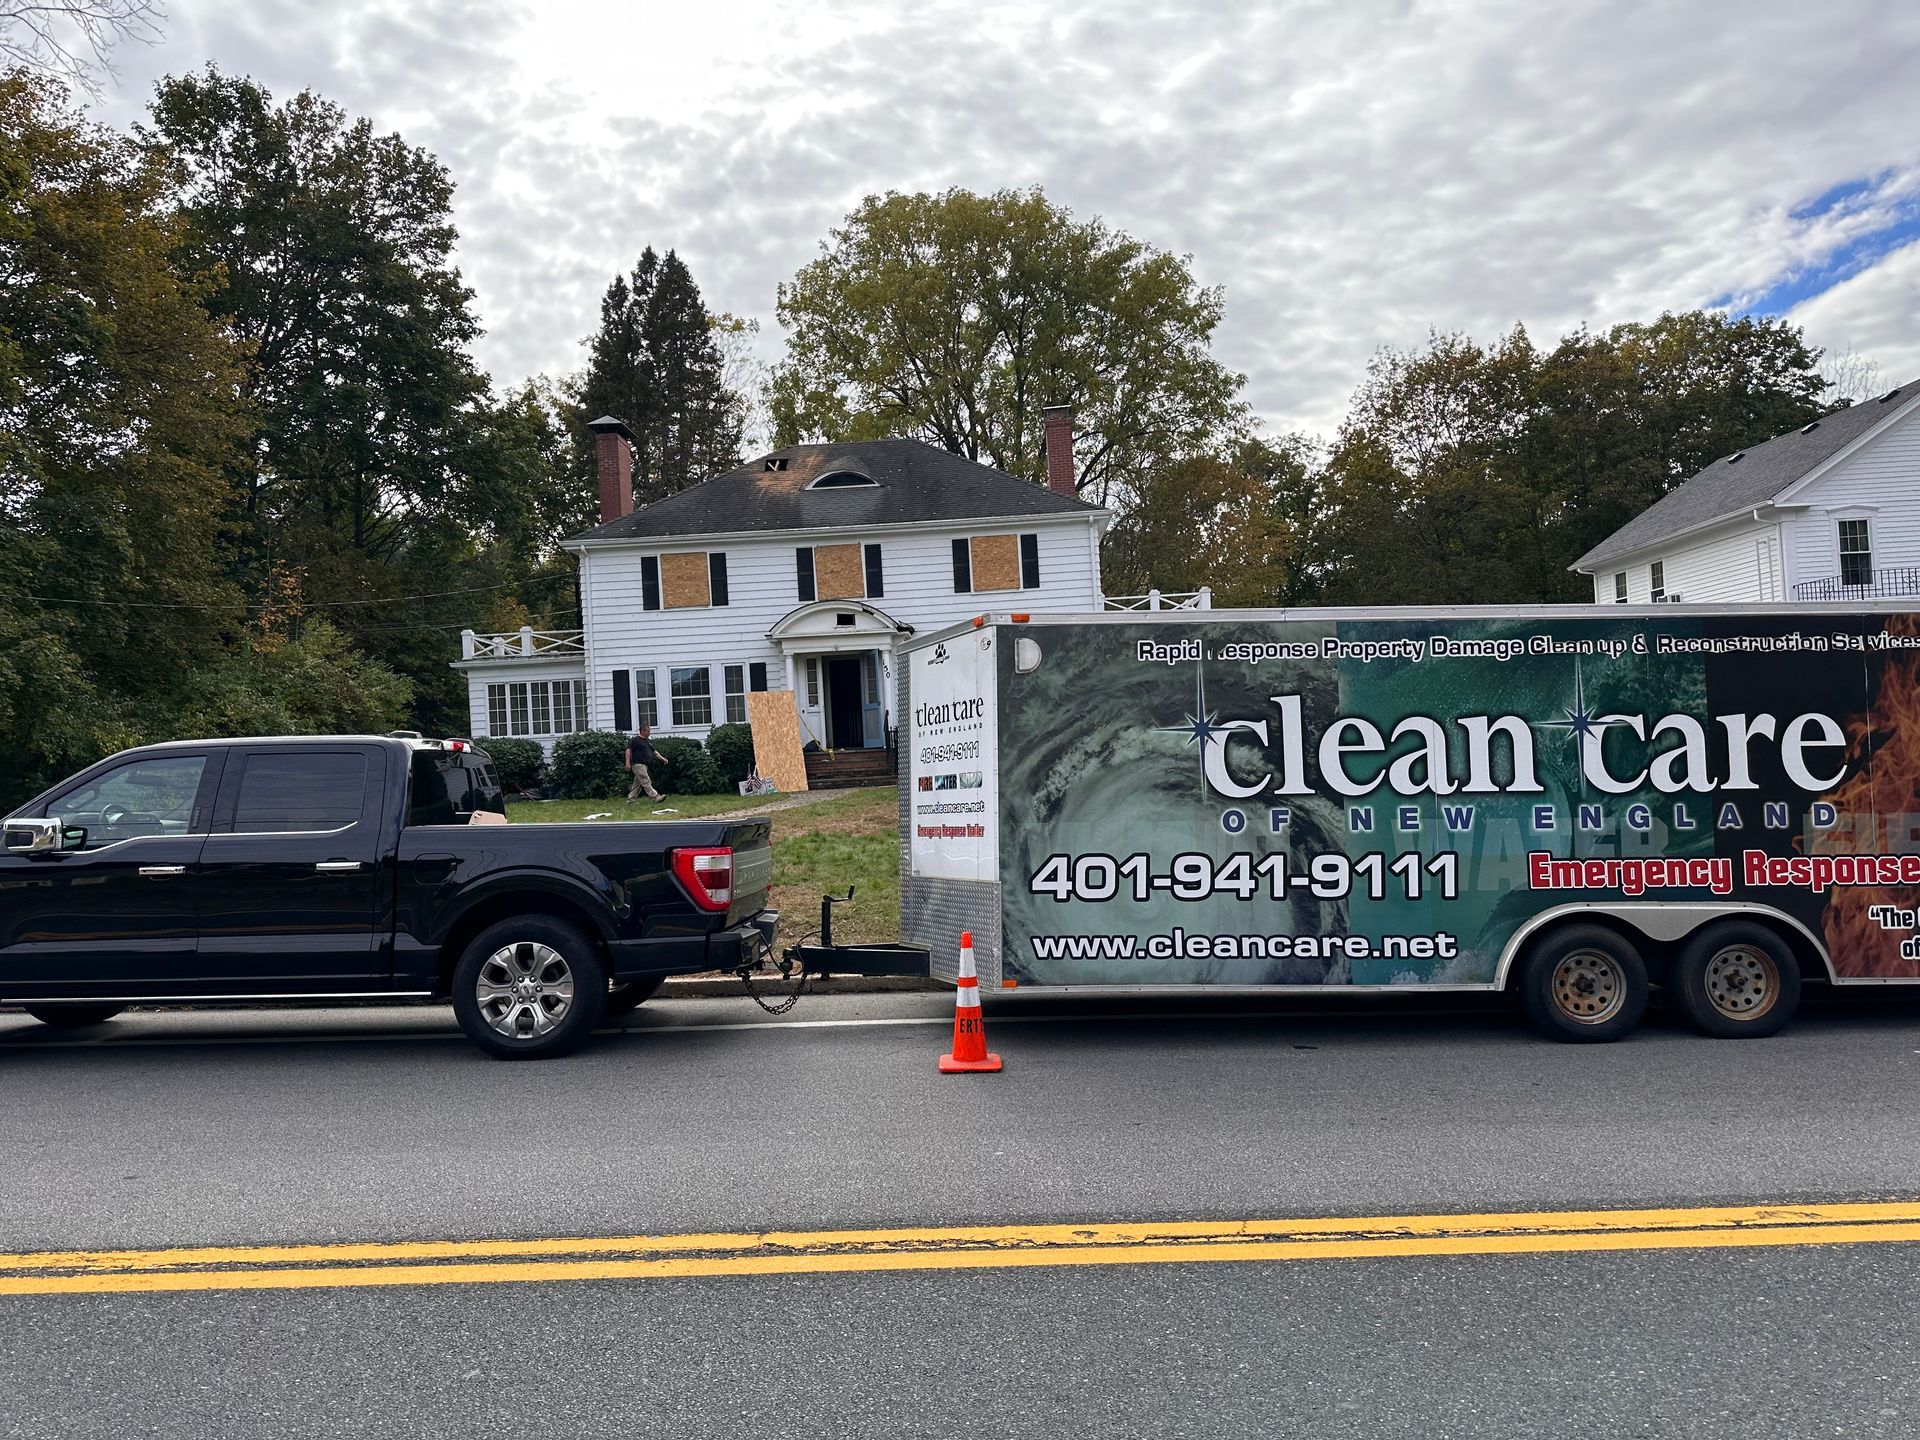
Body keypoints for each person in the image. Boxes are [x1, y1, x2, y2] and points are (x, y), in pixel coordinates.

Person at [625, 725, 664, 802]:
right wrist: (627, 763)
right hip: (638, 764)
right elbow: (628, 750)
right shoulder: (636, 740)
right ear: (642, 731)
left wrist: (663, 759)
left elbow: (654, 752)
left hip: (645, 765)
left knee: (638, 784)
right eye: (648, 731)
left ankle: (631, 800)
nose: (649, 733)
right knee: (646, 781)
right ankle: (655, 797)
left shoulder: (648, 741)